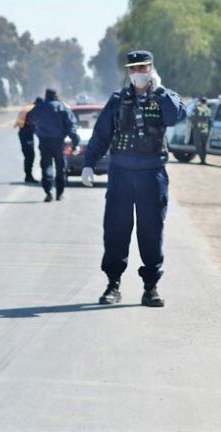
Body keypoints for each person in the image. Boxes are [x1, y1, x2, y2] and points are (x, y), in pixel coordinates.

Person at [81, 50, 185, 307]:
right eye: (133, 69)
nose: (138, 73)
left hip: (152, 174)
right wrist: (88, 164)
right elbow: (101, 133)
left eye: (143, 68)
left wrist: (159, 92)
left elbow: (176, 116)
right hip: (121, 174)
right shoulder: (118, 100)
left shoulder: (163, 98)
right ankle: (113, 285)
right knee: (116, 230)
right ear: (128, 72)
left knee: (151, 231)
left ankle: (151, 288)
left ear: (151, 68)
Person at [28, 89, 80, 202]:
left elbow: (31, 120)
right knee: (60, 168)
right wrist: (75, 141)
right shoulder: (62, 107)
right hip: (59, 142)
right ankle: (59, 194)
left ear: (46, 96)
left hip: (44, 141)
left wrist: (38, 132)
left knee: (46, 166)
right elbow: (71, 126)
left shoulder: (39, 107)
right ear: (56, 96)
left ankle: (48, 192)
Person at [14, 97, 42, 183]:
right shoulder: (32, 110)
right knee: (30, 155)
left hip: (24, 133)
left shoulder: (28, 108)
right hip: (26, 134)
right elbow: (33, 124)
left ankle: (28, 175)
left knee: (28, 155)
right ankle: (28, 176)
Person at [190, 97, 211, 164]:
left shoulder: (197, 108)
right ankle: (203, 160)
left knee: (197, 145)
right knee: (204, 146)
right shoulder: (208, 109)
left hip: (198, 130)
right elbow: (209, 120)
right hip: (205, 130)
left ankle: (202, 158)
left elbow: (193, 118)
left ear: (200, 102)